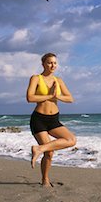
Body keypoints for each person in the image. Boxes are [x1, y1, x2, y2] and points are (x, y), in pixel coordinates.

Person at [26, 52, 76, 187]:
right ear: (43, 64)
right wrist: (49, 95)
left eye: (55, 63)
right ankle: (45, 180)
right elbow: (30, 98)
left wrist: (57, 96)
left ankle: (38, 149)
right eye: (49, 62)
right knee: (50, 153)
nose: (53, 65)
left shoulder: (58, 81)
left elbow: (70, 98)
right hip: (39, 119)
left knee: (71, 140)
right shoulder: (36, 78)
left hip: (54, 119)